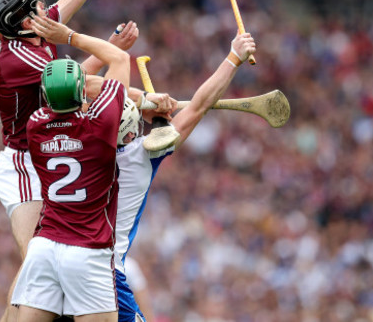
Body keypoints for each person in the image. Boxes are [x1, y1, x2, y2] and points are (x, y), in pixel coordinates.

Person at [0, 0, 160, 322]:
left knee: (49, 256)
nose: (43, 4)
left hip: (50, 151)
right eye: (35, 6)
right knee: (36, 258)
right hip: (25, 162)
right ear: (26, 23)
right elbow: (81, 85)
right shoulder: (22, 58)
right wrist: (141, 98)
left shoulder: (33, 33)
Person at [87, 28, 256, 321]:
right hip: (105, 270)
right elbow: (200, 105)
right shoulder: (144, 155)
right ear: (132, 129)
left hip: (64, 259)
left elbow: (82, 86)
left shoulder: (78, 147)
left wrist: (143, 101)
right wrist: (234, 57)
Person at [11, 13, 130, 321]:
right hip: (88, 250)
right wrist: (69, 36)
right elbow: (119, 59)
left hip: (45, 247)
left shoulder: (35, 125)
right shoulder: (101, 125)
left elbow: (78, 88)